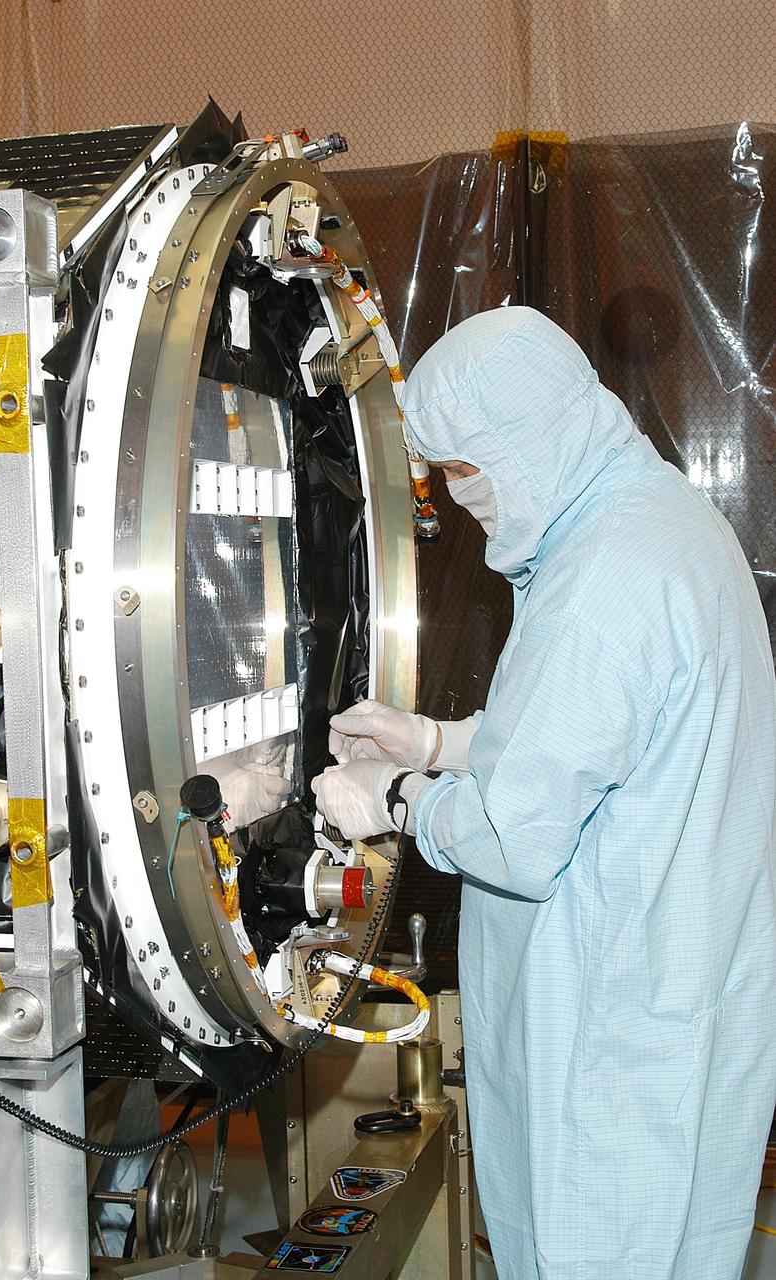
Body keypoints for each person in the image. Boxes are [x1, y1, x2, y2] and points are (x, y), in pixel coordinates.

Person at [312, 307, 776, 1280]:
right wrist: (435, 741)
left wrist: (394, 798)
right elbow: (594, 738)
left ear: (529, 435)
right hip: (672, 1004)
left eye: (464, 468)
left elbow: (514, 836)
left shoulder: (601, 580)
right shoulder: (657, 523)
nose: (456, 496)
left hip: (604, 1045)